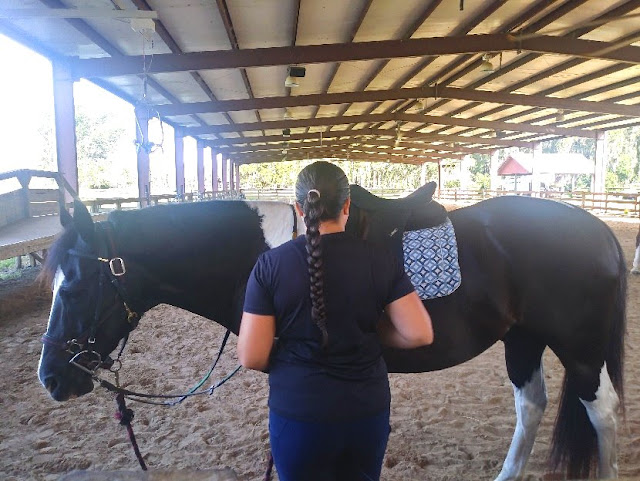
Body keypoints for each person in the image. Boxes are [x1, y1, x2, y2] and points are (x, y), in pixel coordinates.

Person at [237, 161, 433, 481]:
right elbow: (420, 334)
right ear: (347, 206)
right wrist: (376, 329)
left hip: (298, 411)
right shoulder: (381, 259)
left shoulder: (270, 265)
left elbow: (251, 356)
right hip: (365, 411)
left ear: (299, 208)